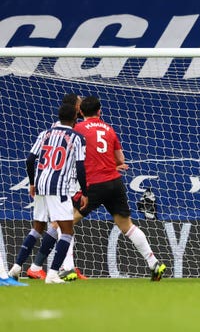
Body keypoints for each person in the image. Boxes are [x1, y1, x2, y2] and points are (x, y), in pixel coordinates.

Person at [75, 96, 166, 281]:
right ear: (99, 111)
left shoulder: (78, 129)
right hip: (115, 183)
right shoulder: (109, 129)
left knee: (66, 222)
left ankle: (65, 268)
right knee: (127, 225)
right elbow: (120, 160)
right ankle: (153, 262)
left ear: (81, 112)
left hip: (94, 184)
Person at [8, 103, 88, 284]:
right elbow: (81, 167)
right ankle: (52, 274)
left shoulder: (45, 134)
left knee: (37, 228)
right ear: (75, 119)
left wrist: (32, 183)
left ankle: (16, 267)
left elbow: (30, 160)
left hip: (41, 186)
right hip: (59, 188)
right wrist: (85, 191)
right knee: (67, 231)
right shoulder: (77, 137)